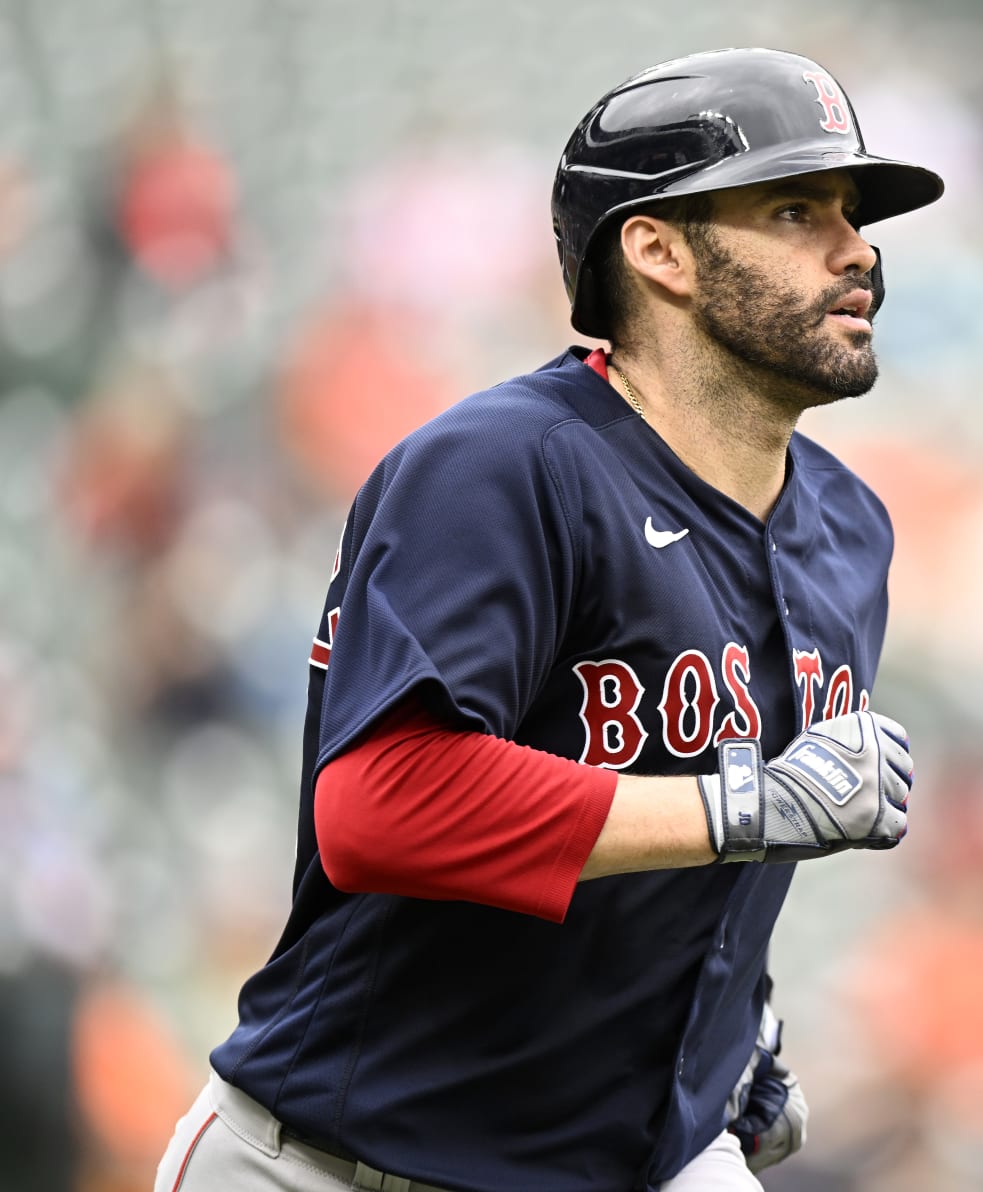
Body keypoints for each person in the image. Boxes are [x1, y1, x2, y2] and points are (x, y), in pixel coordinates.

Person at [155, 47, 940, 1192]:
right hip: (346, 1160)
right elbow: (378, 807)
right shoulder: (504, 466)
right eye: (793, 207)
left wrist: (733, 1025)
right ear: (657, 246)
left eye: (852, 214)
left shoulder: (851, 526)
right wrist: (749, 807)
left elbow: (713, 841)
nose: (856, 247)